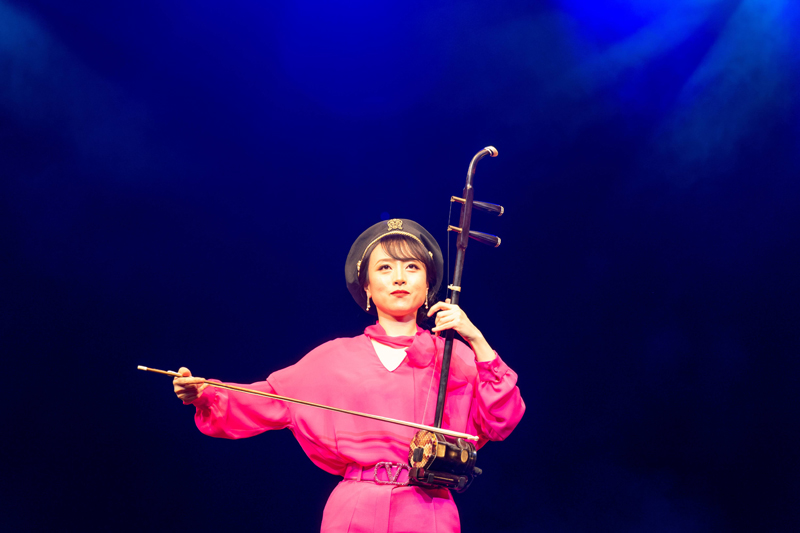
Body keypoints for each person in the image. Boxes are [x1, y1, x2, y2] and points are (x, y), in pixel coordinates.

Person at [173, 218, 525, 533]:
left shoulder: (455, 357)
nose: (399, 277)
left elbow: (502, 419)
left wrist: (476, 338)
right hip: (356, 508)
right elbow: (268, 398)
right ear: (367, 287)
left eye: (412, 267)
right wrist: (205, 393)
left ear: (428, 283)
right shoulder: (335, 357)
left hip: (429, 509)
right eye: (385, 267)